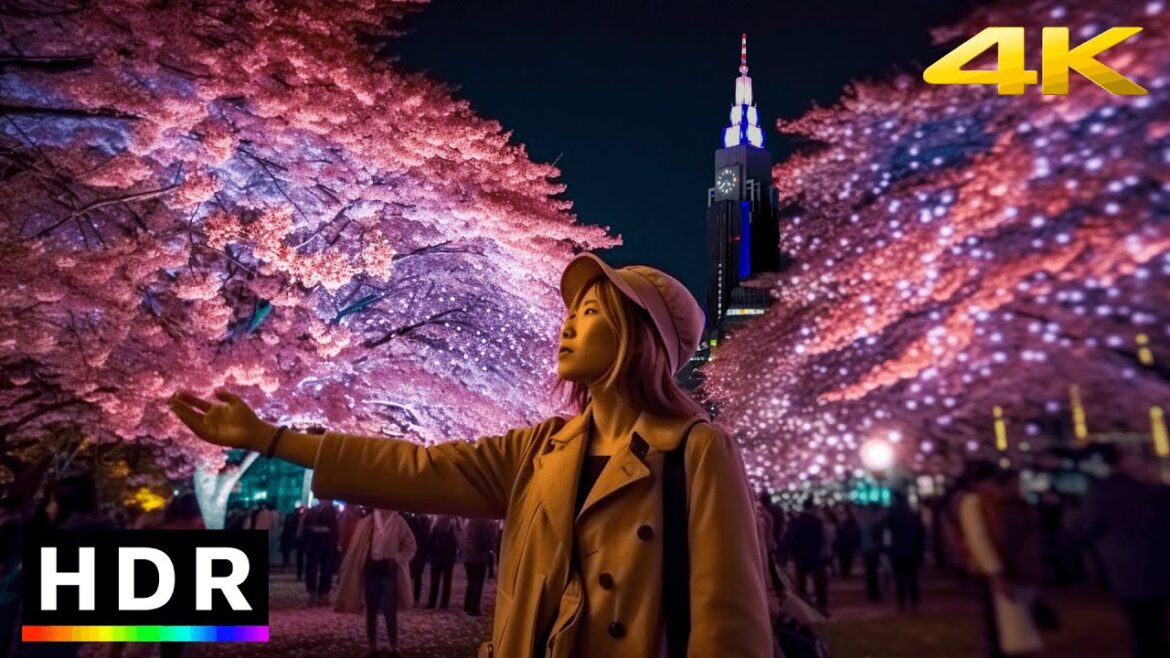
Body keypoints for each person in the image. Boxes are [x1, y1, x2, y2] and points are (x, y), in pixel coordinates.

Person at [169, 251, 772, 658]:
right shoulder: (539, 449)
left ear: (641, 340)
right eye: (569, 313)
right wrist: (269, 438)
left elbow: (729, 624)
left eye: (590, 314)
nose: (567, 327)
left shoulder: (696, 450)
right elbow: (414, 468)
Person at [1073, 445, 1170, 658]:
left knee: (1140, 624)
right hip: (1158, 564)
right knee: (1156, 623)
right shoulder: (1152, 489)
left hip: (1124, 567)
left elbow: (1087, 527)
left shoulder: (1102, 491)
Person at [959, 463, 1042, 658]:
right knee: (996, 626)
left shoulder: (995, 502)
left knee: (1005, 626)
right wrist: (994, 570)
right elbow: (979, 539)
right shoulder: (974, 502)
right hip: (990, 571)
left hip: (1002, 569)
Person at [336, 508, 417, 657]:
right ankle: (373, 647)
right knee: (371, 609)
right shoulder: (368, 521)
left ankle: (394, 647)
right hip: (371, 568)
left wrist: (397, 558)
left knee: (389, 610)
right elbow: (357, 546)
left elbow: (411, 545)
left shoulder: (398, 522)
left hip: (389, 570)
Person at [884, 492, 926, 613]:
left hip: (897, 550)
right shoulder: (912, 515)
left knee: (900, 579)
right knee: (912, 578)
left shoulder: (892, 515)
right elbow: (920, 534)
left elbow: (886, 532)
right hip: (910, 550)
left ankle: (902, 604)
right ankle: (914, 604)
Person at [784, 498, 828, 614]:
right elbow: (821, 539)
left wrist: (792, 553)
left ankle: (804, 605)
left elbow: (791, 539)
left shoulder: (797, 521)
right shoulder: (816, 522)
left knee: (801, 583)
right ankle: (821, 603)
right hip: (814, 554)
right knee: (819, 581)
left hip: (800, 555)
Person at [302, 498, 339, 606]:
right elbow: (334, 529)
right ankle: (318, 594)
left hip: (321, 542)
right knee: (316, 569)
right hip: (321, 542)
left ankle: (320, 594)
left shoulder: (313, 511)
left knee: (323, 569)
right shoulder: (327, 512)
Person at [461, 517, 496, 616]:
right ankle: (474, 609)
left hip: (467, 555)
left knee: (471, 582)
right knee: (478, 583)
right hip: (478, 556)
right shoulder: (483, 521)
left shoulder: (468, 520)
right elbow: (486, 539)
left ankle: (467, 605)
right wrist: (491, 547)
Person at [426, 515, 459, 610]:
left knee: (435, 581)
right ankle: (443, 604)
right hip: (447, 558)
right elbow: (456, 543)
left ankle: (432, 603)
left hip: (438, 557)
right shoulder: (452, 529)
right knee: (446, 582)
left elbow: (430, 541)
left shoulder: (436, 527)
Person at [857, 503, 885, 603]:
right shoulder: (875, 522)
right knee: (873, 572)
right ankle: (874, 593)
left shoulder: (862, 522)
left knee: (870, 572)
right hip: (873, 549)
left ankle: (872, 592)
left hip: (867, 549)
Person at [403, 513, 432, 604]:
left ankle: (416, 598)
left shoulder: (425, 520)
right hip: (412, 551)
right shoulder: (409, 519)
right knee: (408, 575)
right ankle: (406, 597)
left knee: (418, 577)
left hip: (421, 552)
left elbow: (427, 536)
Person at [835, 506, 860, 579]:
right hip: (845, 542)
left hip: (846, 542)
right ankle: (845, 572)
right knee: (844, 558)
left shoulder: (848, 521)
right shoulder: (844, 520)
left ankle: (845, 572)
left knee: (846, 558)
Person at [280, 504, 302, 571]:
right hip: (291, 537)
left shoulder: (290, 518)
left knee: (287, 553)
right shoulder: (296, 518)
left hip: (287, 537)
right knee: (291, 552)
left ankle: (286, 565)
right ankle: (288, 564)